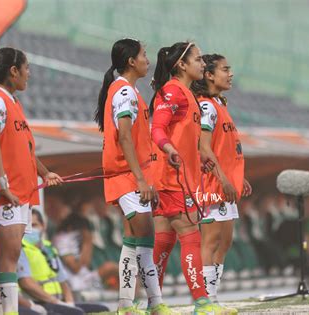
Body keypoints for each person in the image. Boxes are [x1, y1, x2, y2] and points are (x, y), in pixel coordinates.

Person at [0, 47, 63, 314]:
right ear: (13, 71)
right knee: (6, 260)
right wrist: (3, 185)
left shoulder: (11, 101)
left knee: (6, 258)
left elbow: (24, 148)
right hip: (6, 193)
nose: (29, 73)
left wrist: (45, 173)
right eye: (26, 68)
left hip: (19, 192)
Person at [94, 38, 175, 315]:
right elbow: (125, 137)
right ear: (131, 61)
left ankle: (127, 306)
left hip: (130, 175)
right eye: (143, 55)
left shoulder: (127, 91)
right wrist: (141, 179)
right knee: (145, 238)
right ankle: (154, 303)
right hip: (128, 176)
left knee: (133, 241)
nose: (147, 59)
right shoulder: (125, 93)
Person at [150, 41, 231, 315]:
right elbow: (158, 128)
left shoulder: (187, 94)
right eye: (197, 59)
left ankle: (153, 302)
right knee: (191, 237)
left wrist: (200, 157)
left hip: (178, 175)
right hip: (172, 177)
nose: (202, 64)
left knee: (164, 240)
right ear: (181, 65)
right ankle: (202, 302)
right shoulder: (173, 92)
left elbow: (186, 138)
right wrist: (168, 148)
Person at [191, 54, 251, 307]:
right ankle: (205, 301)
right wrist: (224, 178)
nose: (231, 74)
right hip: (212, 183)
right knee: (211, 241)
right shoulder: (205, 106)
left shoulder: (218, 104)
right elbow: (204, 148)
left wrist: (239, 177)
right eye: (226, 69)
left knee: (224, 242)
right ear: (209, 75)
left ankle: (213, 296)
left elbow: (224, 147)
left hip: (226, 183)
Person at [17, 209, 109, 314]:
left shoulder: (48, 247)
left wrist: (69, 303)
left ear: (43, 226)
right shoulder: (20, 248)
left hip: (58, 300)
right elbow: (26, 283)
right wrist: (56, 302)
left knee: (101, 309)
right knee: (77, 313)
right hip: (39, 301)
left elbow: (63, 281)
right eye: (27, 227)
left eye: (34, 225)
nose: (30, 230)